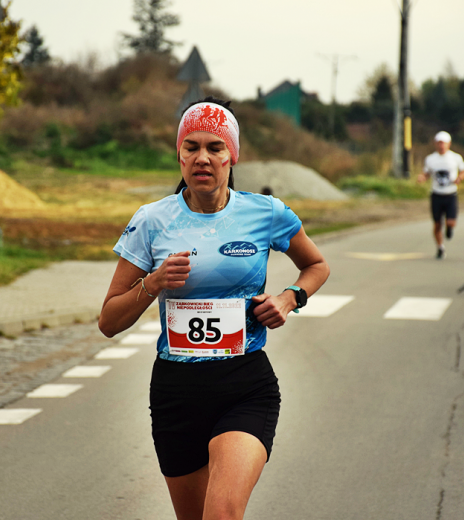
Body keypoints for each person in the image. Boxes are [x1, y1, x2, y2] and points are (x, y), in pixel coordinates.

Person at [99, 96, 330, 520]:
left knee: (221, 513)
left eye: (214, 147)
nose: (202, 157)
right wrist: (153, 283)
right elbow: (109, 320)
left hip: (244, 385)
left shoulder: (266, 213)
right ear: (179, 155)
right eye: (191, 147)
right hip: (176, 391)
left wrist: (287, 298)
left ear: (232, 155)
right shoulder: (152, 220)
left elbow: (316, 265)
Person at [417, 131, 464, 259]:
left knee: (450, 222)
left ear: (448, 144)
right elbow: (427, 173)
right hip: (436, 194)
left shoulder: (455, 158)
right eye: (439, 143)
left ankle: (449, 229)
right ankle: (440, 247)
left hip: (450, 194)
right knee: (437, 224)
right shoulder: (430, 159)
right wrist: (422, 177)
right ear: (435, 144)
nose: (441, 146)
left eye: (443, 143)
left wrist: (459, 178)